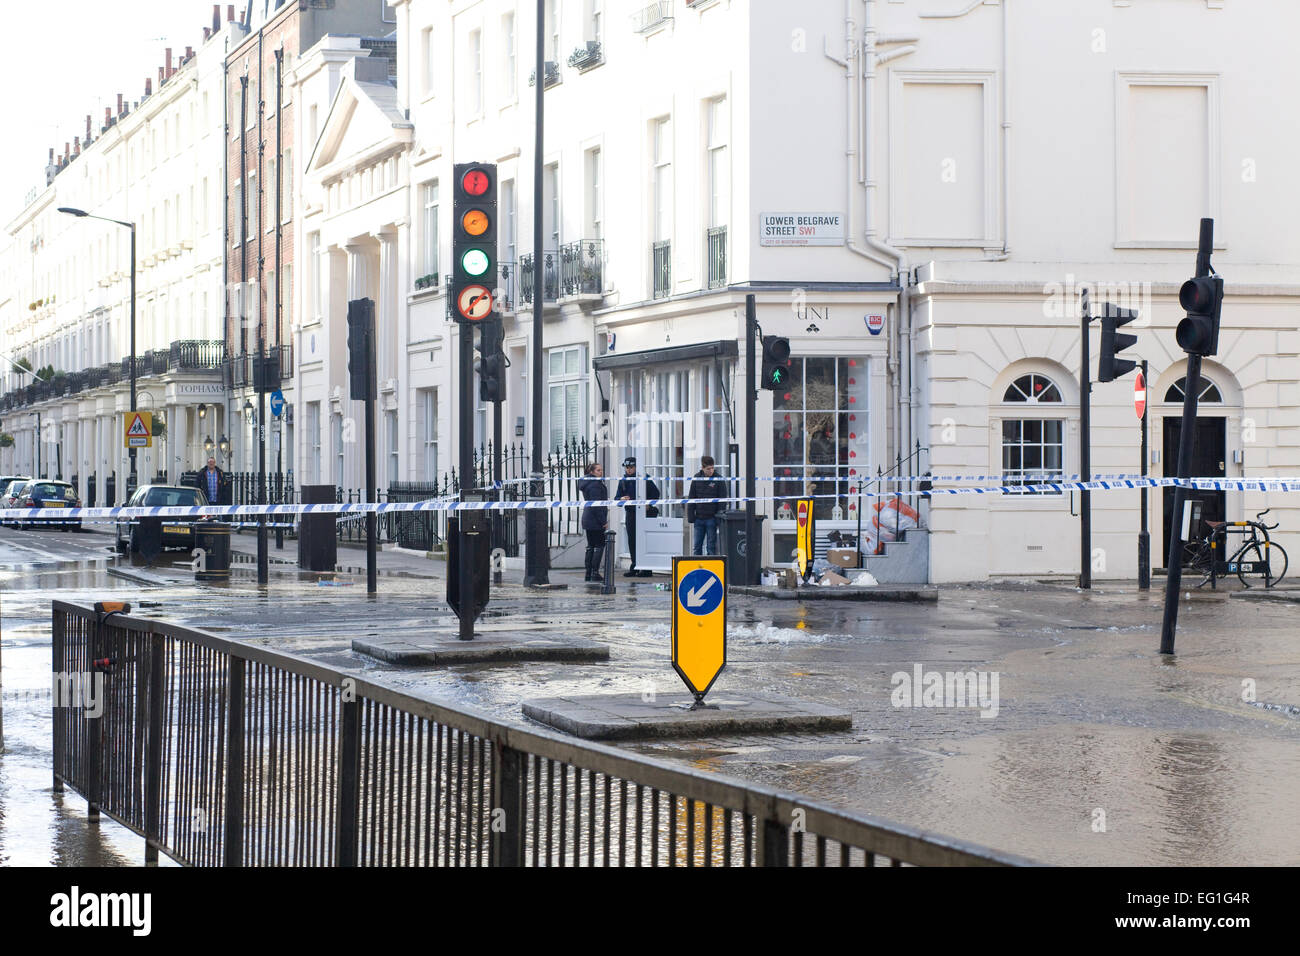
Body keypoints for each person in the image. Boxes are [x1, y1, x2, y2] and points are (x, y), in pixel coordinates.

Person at [616, 456, 661, 577]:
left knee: (644, 540)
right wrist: (621, 499)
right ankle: (635, 566)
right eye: (627, 467)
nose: (629, 470)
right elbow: (617, 499)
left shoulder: (644, 478)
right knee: (632, 540)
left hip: (644, 513)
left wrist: (648, 504)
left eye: (631, 467)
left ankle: (646, 568)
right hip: (631, 513)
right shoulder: (623, 480)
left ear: (636, 467)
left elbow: (656, 495)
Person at [686, 455, 727, 556]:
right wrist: (691, 516)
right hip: (698, 518)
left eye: (712, 468)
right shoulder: (696, 478)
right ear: (702, 468)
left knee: (711, 547)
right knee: (697, 547)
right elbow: (692, 497)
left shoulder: (718, 479)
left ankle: (711, 569)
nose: (711, 470)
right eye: (708, 469)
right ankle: (697, 569)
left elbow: (723, 500)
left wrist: (718, 517)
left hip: (712, 519)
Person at [576, 461, 609, 582]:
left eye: (601, 470)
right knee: (599, 545)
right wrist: (603, 521)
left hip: (588, 517)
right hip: (595, 519)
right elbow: (597, 505)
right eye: (598, 470)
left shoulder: (588, 482)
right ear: (591, 472)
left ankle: (588, 573)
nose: (601, 472)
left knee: (591, 545)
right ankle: (594, 572)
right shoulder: (595, 484)